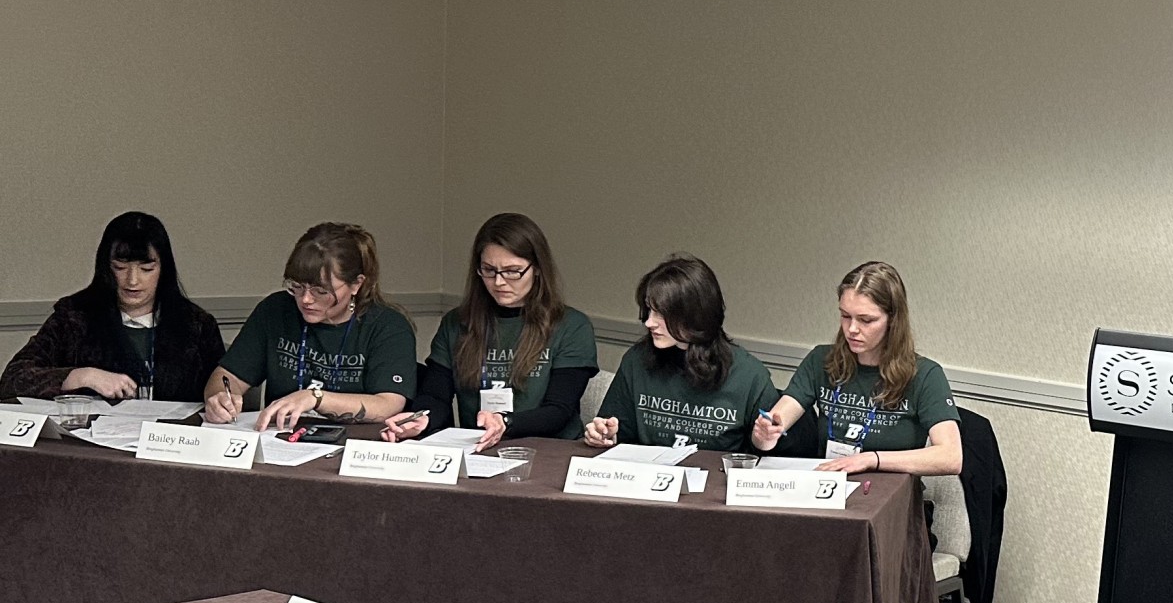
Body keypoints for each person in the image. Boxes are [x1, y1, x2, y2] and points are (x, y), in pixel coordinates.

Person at [380, 213, 598, 450]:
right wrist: (422, 420)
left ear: (537, 269)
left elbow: (559, 410)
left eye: (513, 271)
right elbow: (436, 396)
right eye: (489, 270)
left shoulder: (571, 325)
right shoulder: (457, 323)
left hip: (549, 451)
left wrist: (505, 422)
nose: (499, 282)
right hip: (479, 448)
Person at [752, 261, 962, 476]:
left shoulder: (925, 375)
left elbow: (951, 457)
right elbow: (777, 421)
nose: (852, 329)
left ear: (893, 321)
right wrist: (765, 435)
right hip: (829, 486)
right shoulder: (820, 360)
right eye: (845, 316)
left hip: (889, 494)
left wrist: (871, 459)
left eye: (866, 320)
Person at [201, 222, 417, 430]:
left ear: (356, 284)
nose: (305, 299)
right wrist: (220, 397)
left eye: (321, 291)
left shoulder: (387, 326)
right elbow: (228, 375)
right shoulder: (275, 310)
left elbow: (388, 403)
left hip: (358, 447)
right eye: (297, 286)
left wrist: (315, 398)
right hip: (282, 439)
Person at [1, 212, 224, 402]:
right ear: (106, 267)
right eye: (120, 267)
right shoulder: (74, 317)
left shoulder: (196, 325)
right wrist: (82, 376)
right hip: (92, 446)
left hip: (171, 445)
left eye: (146, 268)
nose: (133, 280)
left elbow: (222, 391)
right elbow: (13, 379)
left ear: (163, 270)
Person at [583, 255, 777, 452]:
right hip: (648, 477)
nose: (649, 322)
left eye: (661, 313)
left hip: (716, 478)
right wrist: (605, 435)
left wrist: (763, 441)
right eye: (649, 310)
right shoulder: (637, 360)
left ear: (695, 315)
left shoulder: (749, 375)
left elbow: (774, 454)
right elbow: (617, 430)